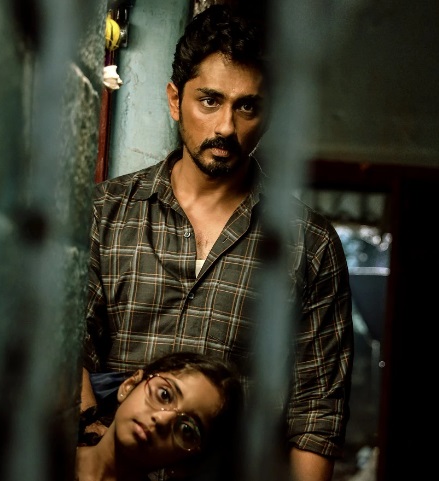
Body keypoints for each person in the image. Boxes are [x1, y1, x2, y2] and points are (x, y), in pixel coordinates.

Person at [81, 5, 353, 481]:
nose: (226, 126)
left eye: (247, 106)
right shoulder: (105, 212)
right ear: (174, 100)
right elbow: (67, 345)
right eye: (209, 101)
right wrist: (90, 447)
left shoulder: (309, 245)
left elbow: (318, 411)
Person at [76, 351, 244, 481]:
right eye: (164, 395)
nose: (162, 420)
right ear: (129, 385)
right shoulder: (59, 451)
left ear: (185, 465)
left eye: (186, 429)